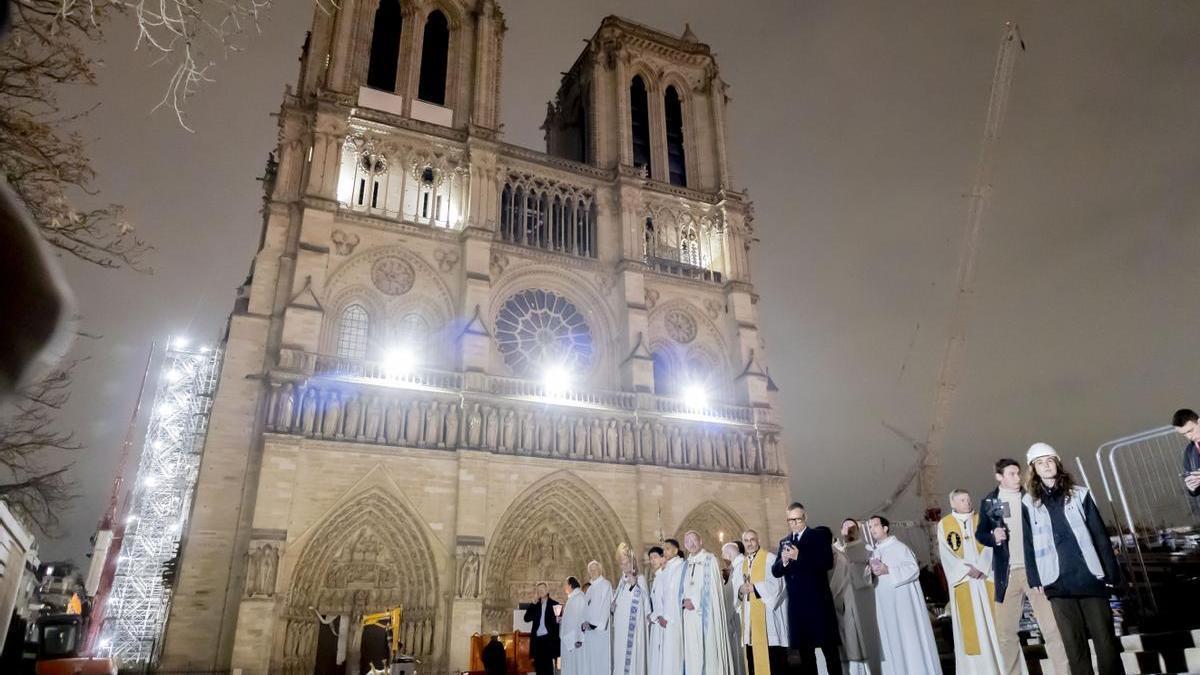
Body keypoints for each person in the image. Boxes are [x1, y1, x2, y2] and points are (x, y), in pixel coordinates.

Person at [1022, 443, 1125, 675]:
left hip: (1089, 575)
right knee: (1073, 645)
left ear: (1057, 463)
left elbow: (1099, 535)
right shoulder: (1029, 503)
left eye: (1049, 460)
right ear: (1034, 469)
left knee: (1105, 640)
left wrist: (1110, 573)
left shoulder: (1080, 493)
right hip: (1057, 580)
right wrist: (1034, 576)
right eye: (1040, 463)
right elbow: (1028, 542)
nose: (1046, 466)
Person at [976, 457, 1069, 675]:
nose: (1018, 477)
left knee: (1052, 628)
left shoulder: (1031, 496)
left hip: (1034, 571)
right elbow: (980, 533)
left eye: (1018, 473)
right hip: (1006, 576)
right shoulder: (991, 502)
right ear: (999, 477)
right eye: (1011, 474)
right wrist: (992, 536)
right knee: (1006, 635)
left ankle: (1064, 672)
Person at [770, 502, 841, 675]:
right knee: (806, 654)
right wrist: (784, 561)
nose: (794, 523)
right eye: (790, 520)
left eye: (797, 519)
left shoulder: (818, 536)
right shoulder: (784, 541)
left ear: (805, 517)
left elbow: (826, 562)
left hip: (818, 603)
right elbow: (775, 571)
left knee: (829, 651)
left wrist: (799, 556)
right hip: (797, 606)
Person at [938, 489, 1003, 674]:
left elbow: (992, 544)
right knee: (972, 632)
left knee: (994, 627)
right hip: (965, 581)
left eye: (968, 498)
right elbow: (946, 554)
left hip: (985, 579)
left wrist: (982, 567)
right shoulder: (945, 524)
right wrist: (967, 570)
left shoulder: (982, 519)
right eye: (962, 500)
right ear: (953, 504)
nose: (967, 502)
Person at [868, 514, 942, 674]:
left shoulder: (899, 547)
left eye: (875, 525)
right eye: (870, 527)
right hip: (885, 606)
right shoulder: (874, 553)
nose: (872, 529)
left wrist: (889, 570)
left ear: (885, 528)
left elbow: (913, 569)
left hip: (902, 606)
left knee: (908, 641)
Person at [730, 530, 788, 675]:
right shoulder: (742, 564)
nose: (749, 543)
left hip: (768, 622)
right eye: (746, 541)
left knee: (774, 662)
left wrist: (755, 587)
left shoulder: (770, 559)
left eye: (752, 540)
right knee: (752, 662)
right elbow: (736, 588)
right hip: (750, 622)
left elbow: (777, 584)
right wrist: (740, 591)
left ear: (758, 540)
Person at [831, 519, 881, 675]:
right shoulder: (835, 551)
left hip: (861, 602)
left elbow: (868, 576)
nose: (847, 528)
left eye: (851, 526)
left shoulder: (865, 549)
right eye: (844, 526)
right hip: (842, 604)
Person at [680, 530, 734, 675]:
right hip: (689, 618)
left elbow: (713, 589)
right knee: (693, 653)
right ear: (684, 545)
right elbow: (682, 589)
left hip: (706, 616)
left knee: (709, 652)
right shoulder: (686, 564)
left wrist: (695, 602)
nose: (691, 544)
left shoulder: (710, 560)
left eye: (694, 540)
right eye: (687, 542)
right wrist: (683, 601)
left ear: (701, 541)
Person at [648, 539, 686, 675]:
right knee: (664, 659)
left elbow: (673, 596)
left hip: (672, 619)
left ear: (676, 550)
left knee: (672, 657)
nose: (665, 552)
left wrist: (664, 617)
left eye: (667, 549)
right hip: (663, 619)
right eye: (664, 549)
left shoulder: (681, 566)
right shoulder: (666, 571)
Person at [613, 543, 650, 675]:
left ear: (632, 562)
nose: (625, 566)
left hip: (634, 630)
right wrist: (613, 606)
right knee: (620, 658)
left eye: (627, 562)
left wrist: (634, 584)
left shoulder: (640, 579)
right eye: (622, 564)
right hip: (621, 630)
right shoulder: (621, 583)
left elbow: (645, 605)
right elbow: (616, 602)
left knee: (633, 658)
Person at [720, 541, 749, 675]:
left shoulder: (742, 565)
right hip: (736, 613)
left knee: (741, 649)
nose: (723, 557)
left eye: (723, 554)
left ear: (729, 553)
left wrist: (728, 614)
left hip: (740, 613)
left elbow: (737, 592)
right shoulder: (736, 566)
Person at [583, 560, 615, 675]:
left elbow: (606, 606)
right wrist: (584, 623)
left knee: (600, 659)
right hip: (589, 630)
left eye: (595, 569)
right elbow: (585, 608)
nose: (593, 572)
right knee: (590, 660)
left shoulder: (605, 584)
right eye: (590, 570)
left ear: (600, 570)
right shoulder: (590, 588)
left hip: (600, 630)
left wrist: (594, 624)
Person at [523, 582, 560, 675]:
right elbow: (526, 618)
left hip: (548, 640)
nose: (541, 591)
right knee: (539, 669)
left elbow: (558, 623)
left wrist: (559, 619)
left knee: (548, 669)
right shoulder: (536, 605)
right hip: (537, 641)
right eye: (539, 590)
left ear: (547, 590)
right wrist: (532, 604)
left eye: (542, 589)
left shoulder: (554, 604)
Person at [1172, 409, 1200, 516]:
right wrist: (1191, 487)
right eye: (1184, 434)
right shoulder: (1189, 451)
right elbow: (1193, 491)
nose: (1189, 436)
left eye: (1190, 430)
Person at [561, 577, 588, 675]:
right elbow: (571, 618)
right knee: (570, 667)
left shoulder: (579, 597)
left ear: (570, 585)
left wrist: (578, 638)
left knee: (576, 668)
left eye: (565, 584)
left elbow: (581, 618)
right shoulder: (573, 597)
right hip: (569, 640)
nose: (564, 587)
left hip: (575, 641)